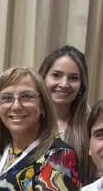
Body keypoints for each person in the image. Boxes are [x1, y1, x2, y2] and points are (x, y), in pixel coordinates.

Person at [40, 45, 94, 183]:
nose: (64, 84)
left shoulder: (92, 126)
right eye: (56, 75)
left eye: (73, 78)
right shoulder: (25, 120)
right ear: (42, 78)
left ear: (82, 85)